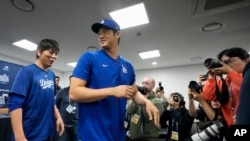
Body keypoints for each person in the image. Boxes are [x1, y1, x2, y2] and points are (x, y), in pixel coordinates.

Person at [69, 18, 160, 141]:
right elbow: (74, 93)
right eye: (99, 33)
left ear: (117, 34)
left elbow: (134, 92)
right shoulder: (89, 58)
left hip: (117, 135)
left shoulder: (127, 66)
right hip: (92, 135)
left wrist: (147, 102)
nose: (101, 36)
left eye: (105, 31)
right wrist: (112, 91)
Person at [8, 39, 64, 141]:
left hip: (46, 132)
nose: (54, 56)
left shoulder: (51, 75)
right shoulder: (26, 72)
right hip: (28, 134)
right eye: (51, 52)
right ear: (39, 52)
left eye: (56, 54)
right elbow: (15, 104)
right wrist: (19, 136)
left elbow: (52, 101)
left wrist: (59, 117)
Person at [202, 47, 248, 126]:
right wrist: (211, 77)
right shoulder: (225, 81)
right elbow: (208, 96)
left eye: (229, 61)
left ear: (245, 60)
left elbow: (246, 88)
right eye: (223, 62)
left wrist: (230, 72)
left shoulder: (246, 76)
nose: (227, 65)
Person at [56, 76, 78, 141]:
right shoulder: (62, 91)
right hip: (63, 124)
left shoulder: (80, 93)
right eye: (71, 81)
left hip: (76, 125)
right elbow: (56, 105)